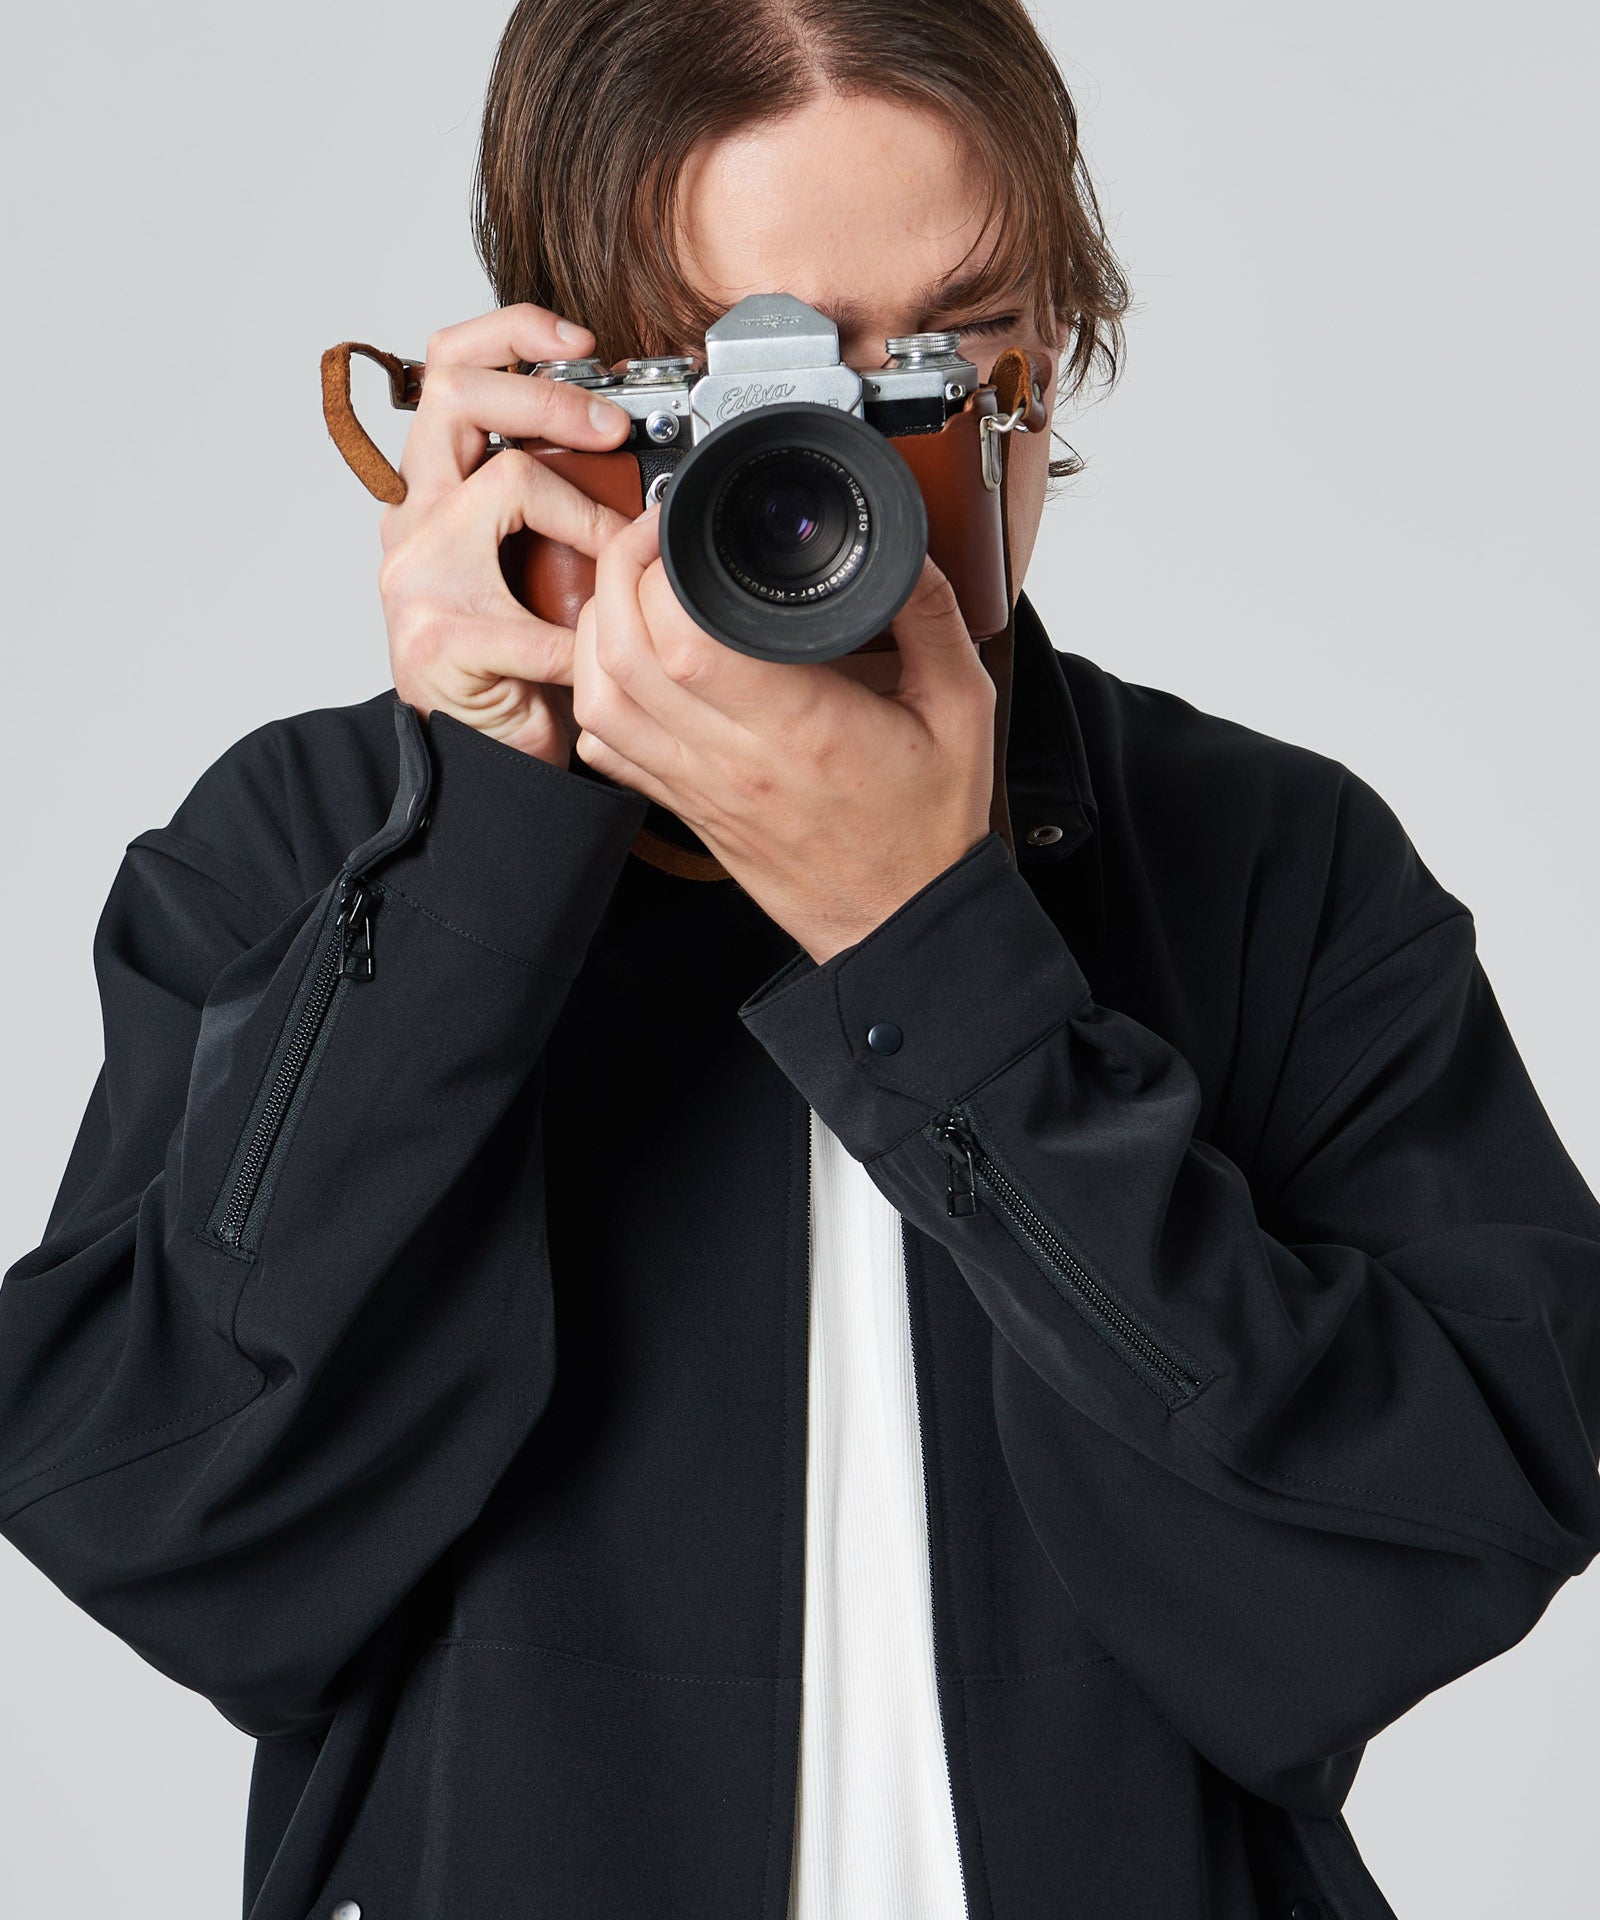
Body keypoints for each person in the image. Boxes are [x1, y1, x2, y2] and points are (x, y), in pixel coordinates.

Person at [3, 1, 1598, 1917]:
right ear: (568, 389)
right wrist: (475, 853)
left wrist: (939, 963)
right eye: (744, 376)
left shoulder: (1265, 855)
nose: (835, 465)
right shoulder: (314, 843)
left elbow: (1426, 1556)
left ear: (1051, 353)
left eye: (941, 355)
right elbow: (156, 1521)